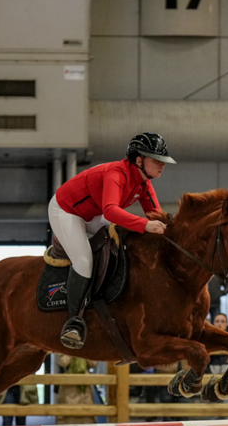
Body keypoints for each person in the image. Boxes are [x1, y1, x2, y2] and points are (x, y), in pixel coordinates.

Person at [50, 132, 175, 349]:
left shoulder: (144, 184)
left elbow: (157, 215)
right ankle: (73, 323)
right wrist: (145, 225)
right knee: (83, 260)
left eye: (162, 161)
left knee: (119, 245)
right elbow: (110, 211)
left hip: (91, 214)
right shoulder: (116, 174)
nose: (162, 165)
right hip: (66, 211)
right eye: (156, 160)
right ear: (139, 160)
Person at [55, 353, 98, 425]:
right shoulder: (65, 345)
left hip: (85, 384)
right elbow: (63, 362)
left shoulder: (87, 346)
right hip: (69, 384)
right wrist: (72, 350)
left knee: (87, 409)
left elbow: (93, 363)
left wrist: (84, 351)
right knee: (68, 410)